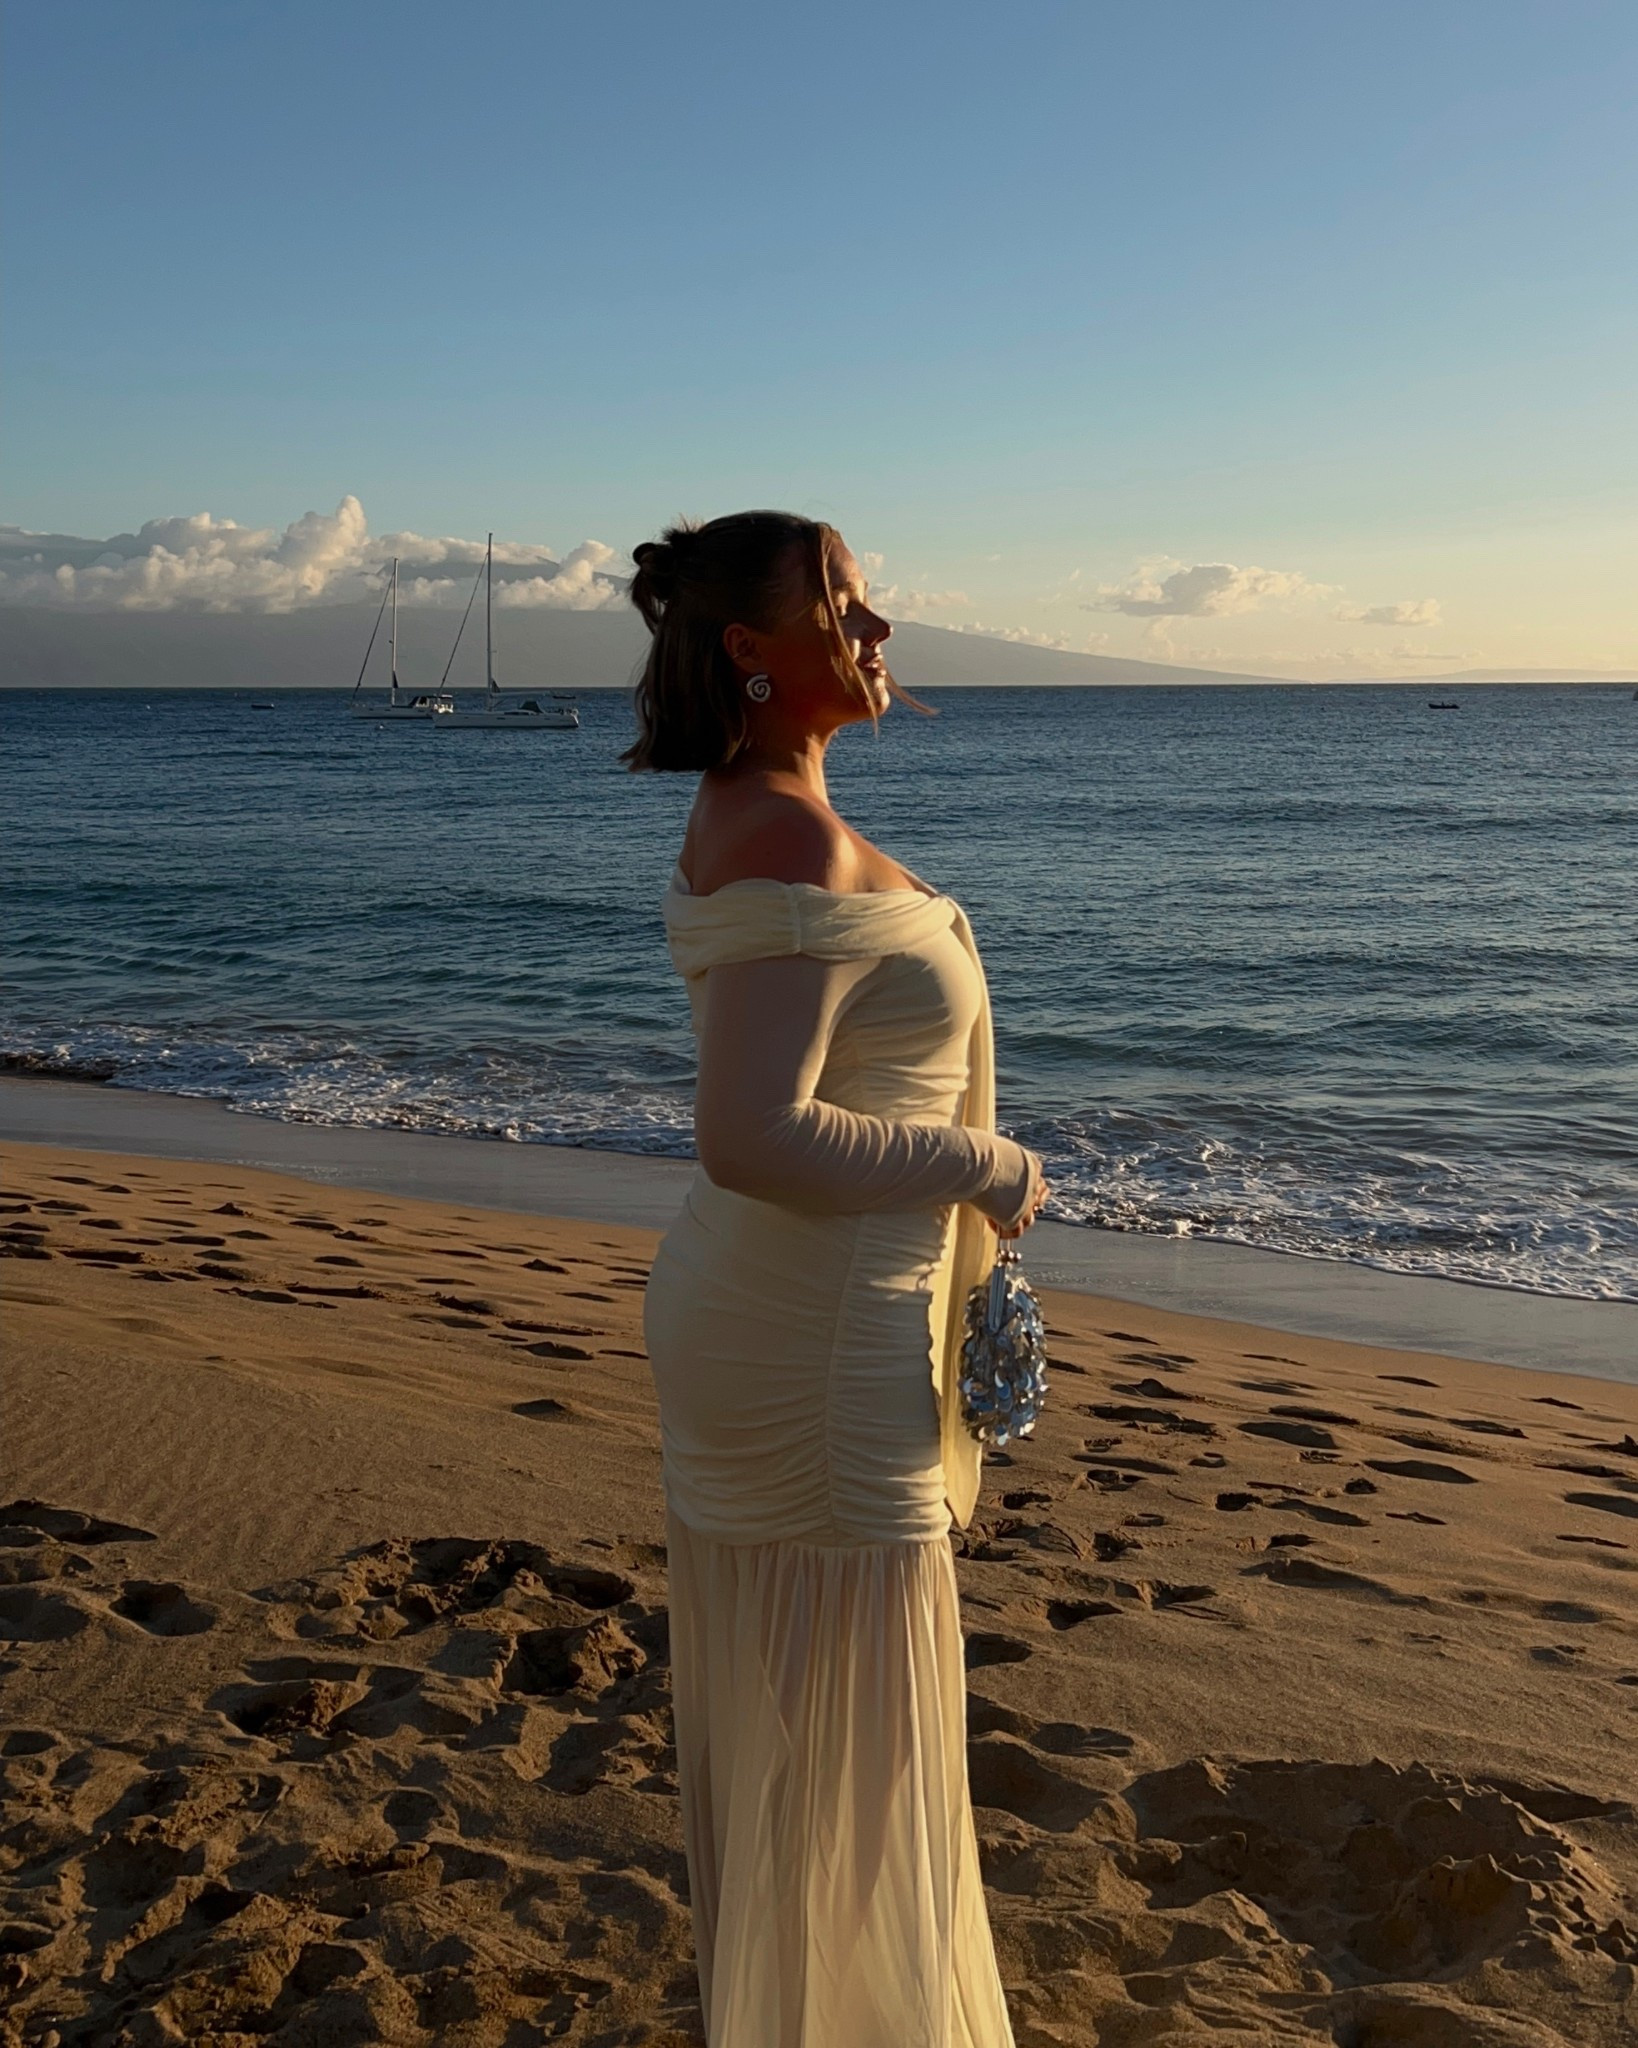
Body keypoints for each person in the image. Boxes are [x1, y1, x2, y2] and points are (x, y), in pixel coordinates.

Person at [623, 510, 1049, 2048]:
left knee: (826, 1740)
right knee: (847, 1744)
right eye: (845, 606)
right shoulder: (785, 834)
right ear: (750, 650)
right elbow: (750, 1134)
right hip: (810, 1339)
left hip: (801, 1313)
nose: (878, 634)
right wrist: (984, 1172)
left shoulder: (765, 811)